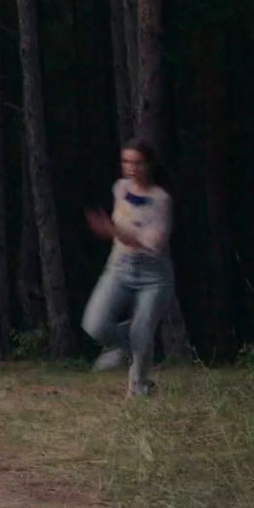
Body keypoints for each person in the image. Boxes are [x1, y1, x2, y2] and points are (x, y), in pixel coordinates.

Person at [82, 138, 175, 398]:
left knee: (142, 331)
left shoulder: (161, 200)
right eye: (126, 161)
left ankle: (140, 387)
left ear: (149, 164)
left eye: (137, 162)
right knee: (95, 324)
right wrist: (115, 231)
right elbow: (125, 223)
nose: (131, 167)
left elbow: (152, 242)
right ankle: (122, 344)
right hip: (120, 267)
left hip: (153, 275)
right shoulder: (120, 188)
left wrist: (112, 230)